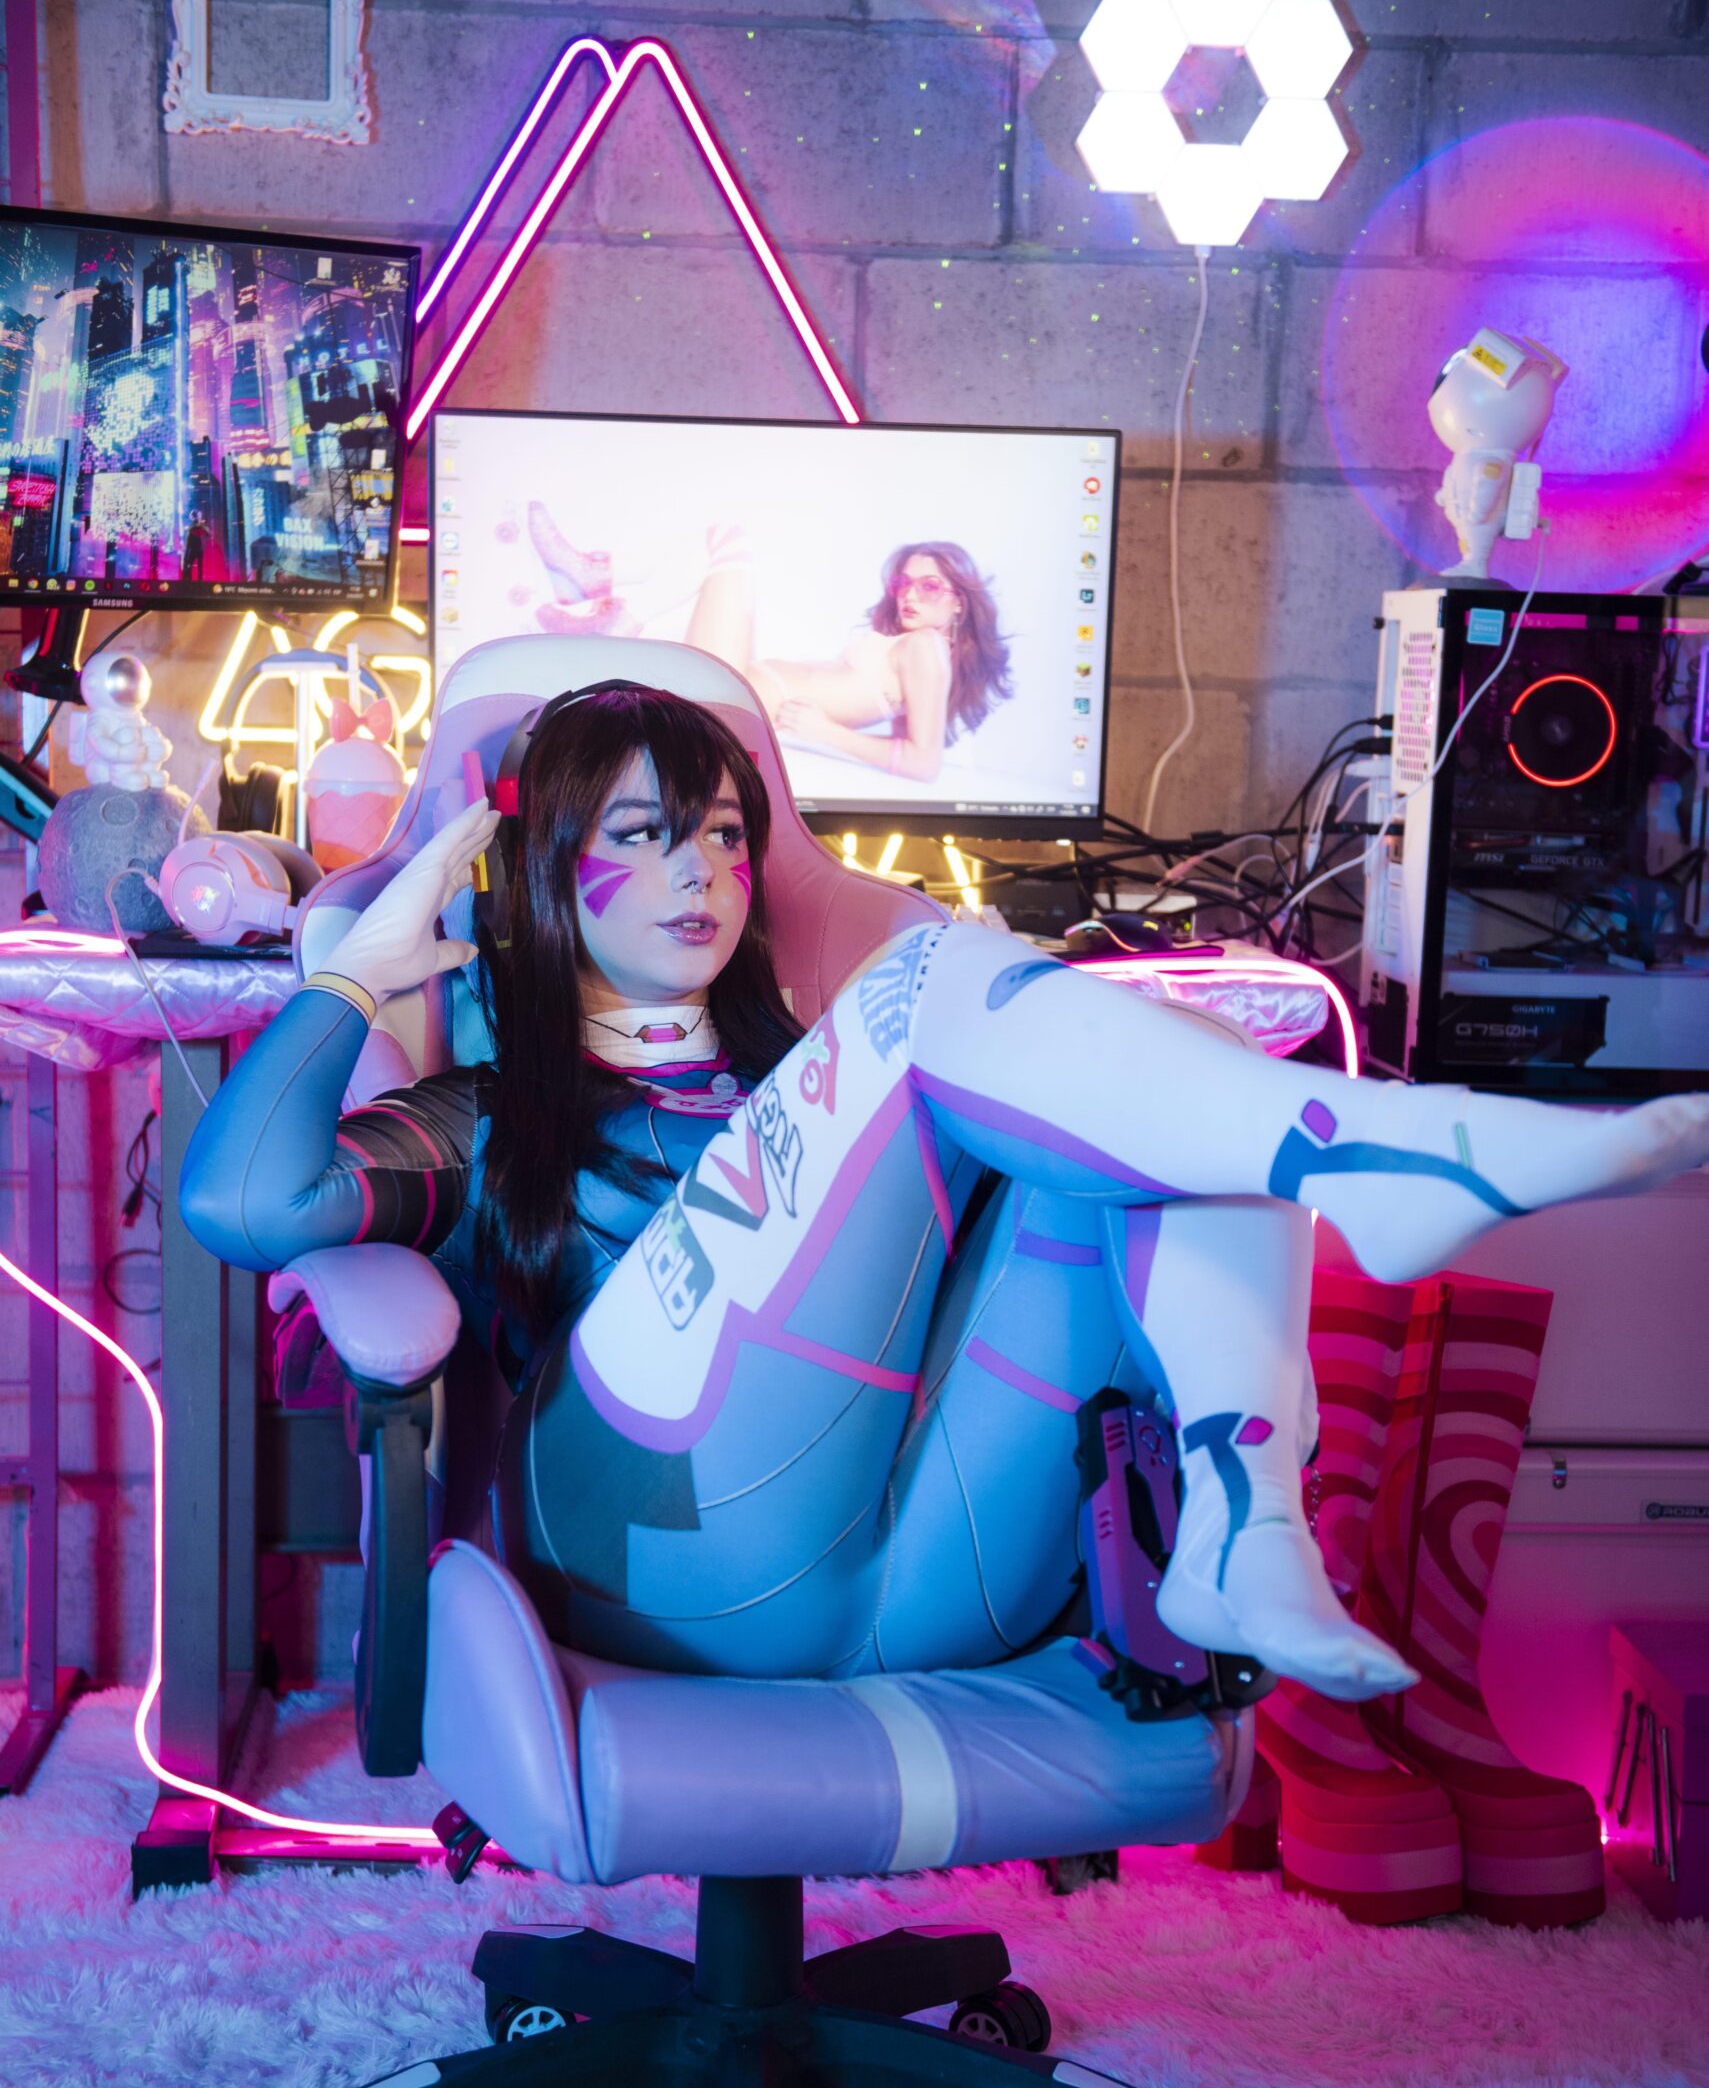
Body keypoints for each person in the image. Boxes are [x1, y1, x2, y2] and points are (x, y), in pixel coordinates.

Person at [180, 684, 1709, 1705]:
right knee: (929, 981)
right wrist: (349, 980)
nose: (703, 869)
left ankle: (1246, 1526)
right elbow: (242, 1203)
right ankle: (1385, 1155)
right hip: (651, 1560)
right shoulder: (485, 1115)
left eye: (725, 833)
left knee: (1157, 1114)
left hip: (922, 1576)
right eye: (644, 837)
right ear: (544, 875)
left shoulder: (820, 1085)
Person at [528, 510, 1012, 784]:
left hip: (734, 698)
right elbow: (905, 747)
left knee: (727, 541)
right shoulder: (916, 651)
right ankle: (596, 593)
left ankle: (602, 593)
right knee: (723, 550)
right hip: (738, 693)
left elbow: (922, 763)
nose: (910, 594)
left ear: (959, 602)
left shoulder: (927, 647)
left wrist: (826, 732)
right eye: (904, 583)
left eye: (929, 586)